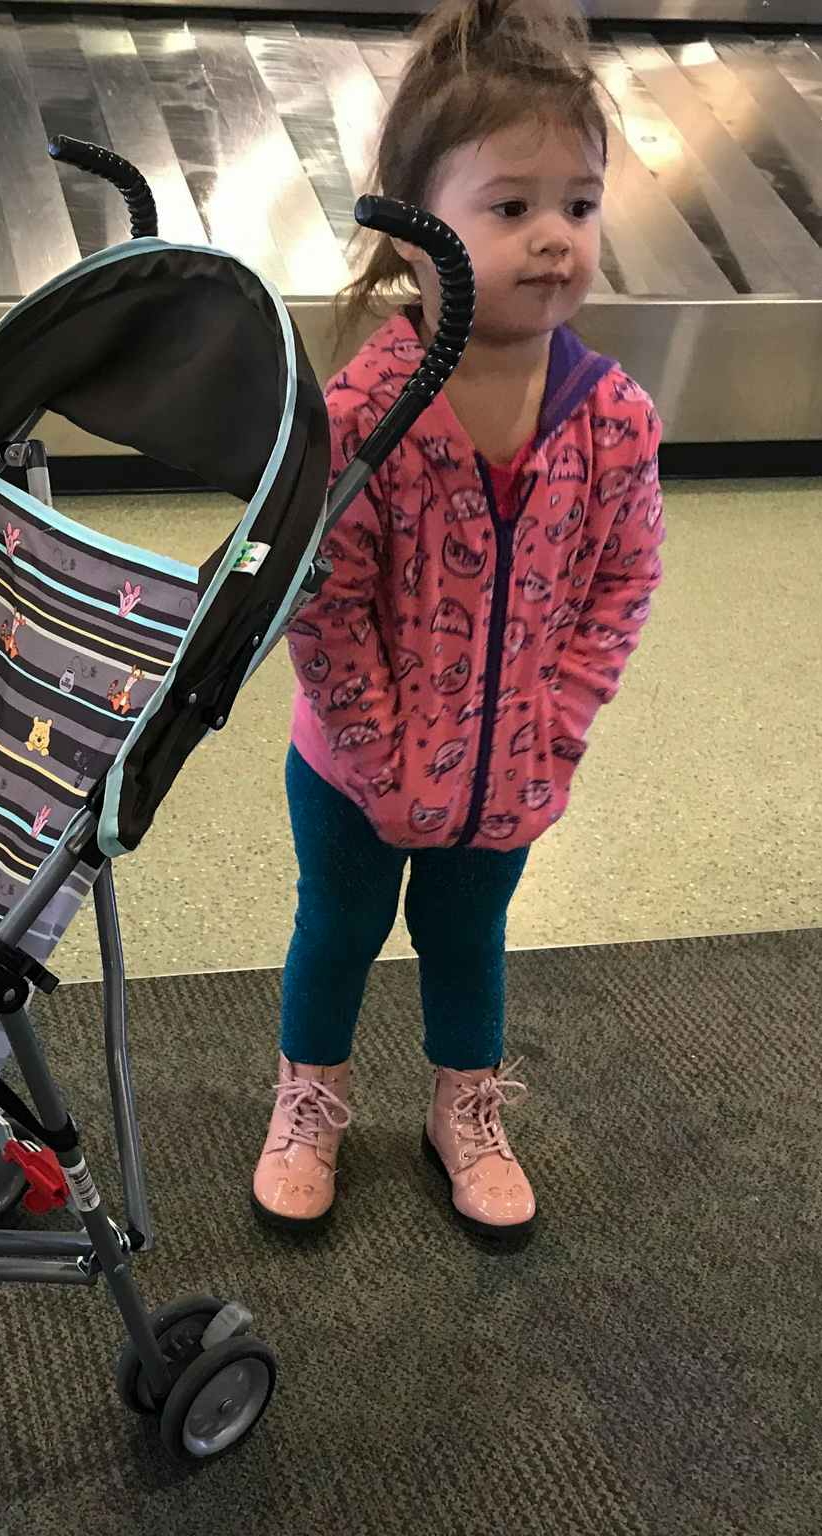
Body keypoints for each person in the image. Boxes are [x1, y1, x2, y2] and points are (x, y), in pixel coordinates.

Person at [253, 0, 665, 1239]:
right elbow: (319, 603)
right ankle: (308, 1096)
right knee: (335, 924)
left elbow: (620, 584)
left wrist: (555, 722)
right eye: (510, 209)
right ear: (412, 232)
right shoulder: (365, 412)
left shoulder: (610, 419)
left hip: (510, 765)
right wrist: (383, 759)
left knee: (467, 934)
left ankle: (463, 1104)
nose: (553, 240)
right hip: (351, 768)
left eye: (578, 207)